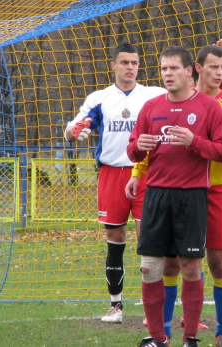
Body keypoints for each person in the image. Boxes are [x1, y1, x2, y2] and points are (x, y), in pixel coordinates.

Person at [128, 44, 222, 347]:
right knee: (151, 267)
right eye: (164, 69)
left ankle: (194, 336)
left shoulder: (210, 108)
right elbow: (134, 150)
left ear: (189, 71)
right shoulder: (151, 107)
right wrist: (137, 152)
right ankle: (157, 337)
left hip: (194, 196)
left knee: (194, 266)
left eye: (173, 69)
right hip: (156, 196)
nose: (168, 74)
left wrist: (195, 141)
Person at [64, 42, 166, 323]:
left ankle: (152, 310)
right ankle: (115, 307)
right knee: (115, 240)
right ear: (114, 66)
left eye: (134, 63)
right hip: (112, 174)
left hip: (146, 172)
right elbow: (71, 130)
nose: (130, 67)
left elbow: (188, 96)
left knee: (150, 240)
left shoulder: (153, 95)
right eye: (124, 62)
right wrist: (75, 131)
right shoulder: (101, 98)